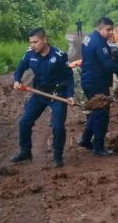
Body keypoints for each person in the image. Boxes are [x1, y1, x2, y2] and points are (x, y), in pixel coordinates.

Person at [12, 28, 75, 168]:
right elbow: (20, 68)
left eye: (35, 42)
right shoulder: (30, 54)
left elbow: (69, 76)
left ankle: (58, 157)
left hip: (58, 95)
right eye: (31, 42)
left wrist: (70, 95)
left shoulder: (59, 55)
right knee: (24, 122)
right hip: (39, 93)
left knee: (58, 127)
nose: (32, 45)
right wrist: (17, 80)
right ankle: (25, 151)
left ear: (44, 40)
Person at [78, 17, 118, 156]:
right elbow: (107, 64)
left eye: (112, 29)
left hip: (89, 80)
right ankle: (98, 148)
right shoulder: (98, 43)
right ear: (100, 28)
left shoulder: (89, 38)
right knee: (102, 114)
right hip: (96, 82)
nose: (111, 32)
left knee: (96, 111)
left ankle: (85, 139)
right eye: (108, 29)